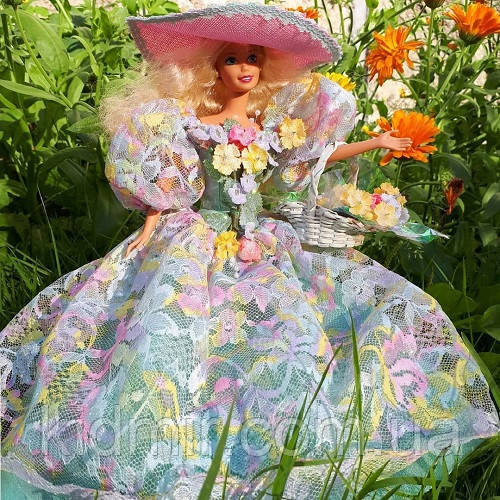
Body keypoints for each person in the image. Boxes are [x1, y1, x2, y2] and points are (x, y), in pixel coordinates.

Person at [1, 3, 498, 499]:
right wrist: (149, 229)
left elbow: (316, 157)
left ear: (266, 67)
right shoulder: (195, 126)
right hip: (199, 240)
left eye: (253, 58)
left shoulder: (273, 131)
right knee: (173, 330)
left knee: (299, 322)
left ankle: (284, 425)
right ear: (210, 69)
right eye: (232, 58)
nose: (244, 68)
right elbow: (165, 185)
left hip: (263, 240)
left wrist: (375, 143)